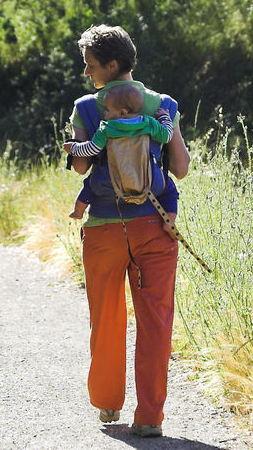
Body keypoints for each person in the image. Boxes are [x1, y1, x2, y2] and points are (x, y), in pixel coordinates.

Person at [66, 24, 190, 438]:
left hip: (103, 227)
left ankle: (107, 403)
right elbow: (182, 168)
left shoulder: (86, 107)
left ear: (112, 64)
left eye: (91, 66)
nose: (88, 74)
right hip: (156, 224)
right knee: (156, 319)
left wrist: (78, 147)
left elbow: (82, 166)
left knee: (107, 317)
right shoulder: (164, 104)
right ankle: (150, 416)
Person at [63, 83, 174, 220]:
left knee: (90, 185)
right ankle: (170, 219)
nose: (105, 113)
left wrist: (73, 149)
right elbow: (167, 135)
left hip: (110, 181)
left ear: (123, 112)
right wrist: (164, 118)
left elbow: (91, 149)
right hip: (150, 183)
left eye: (108, 110)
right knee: (169, 189)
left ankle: (78, 212)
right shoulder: (149, 123)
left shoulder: (107, 129)